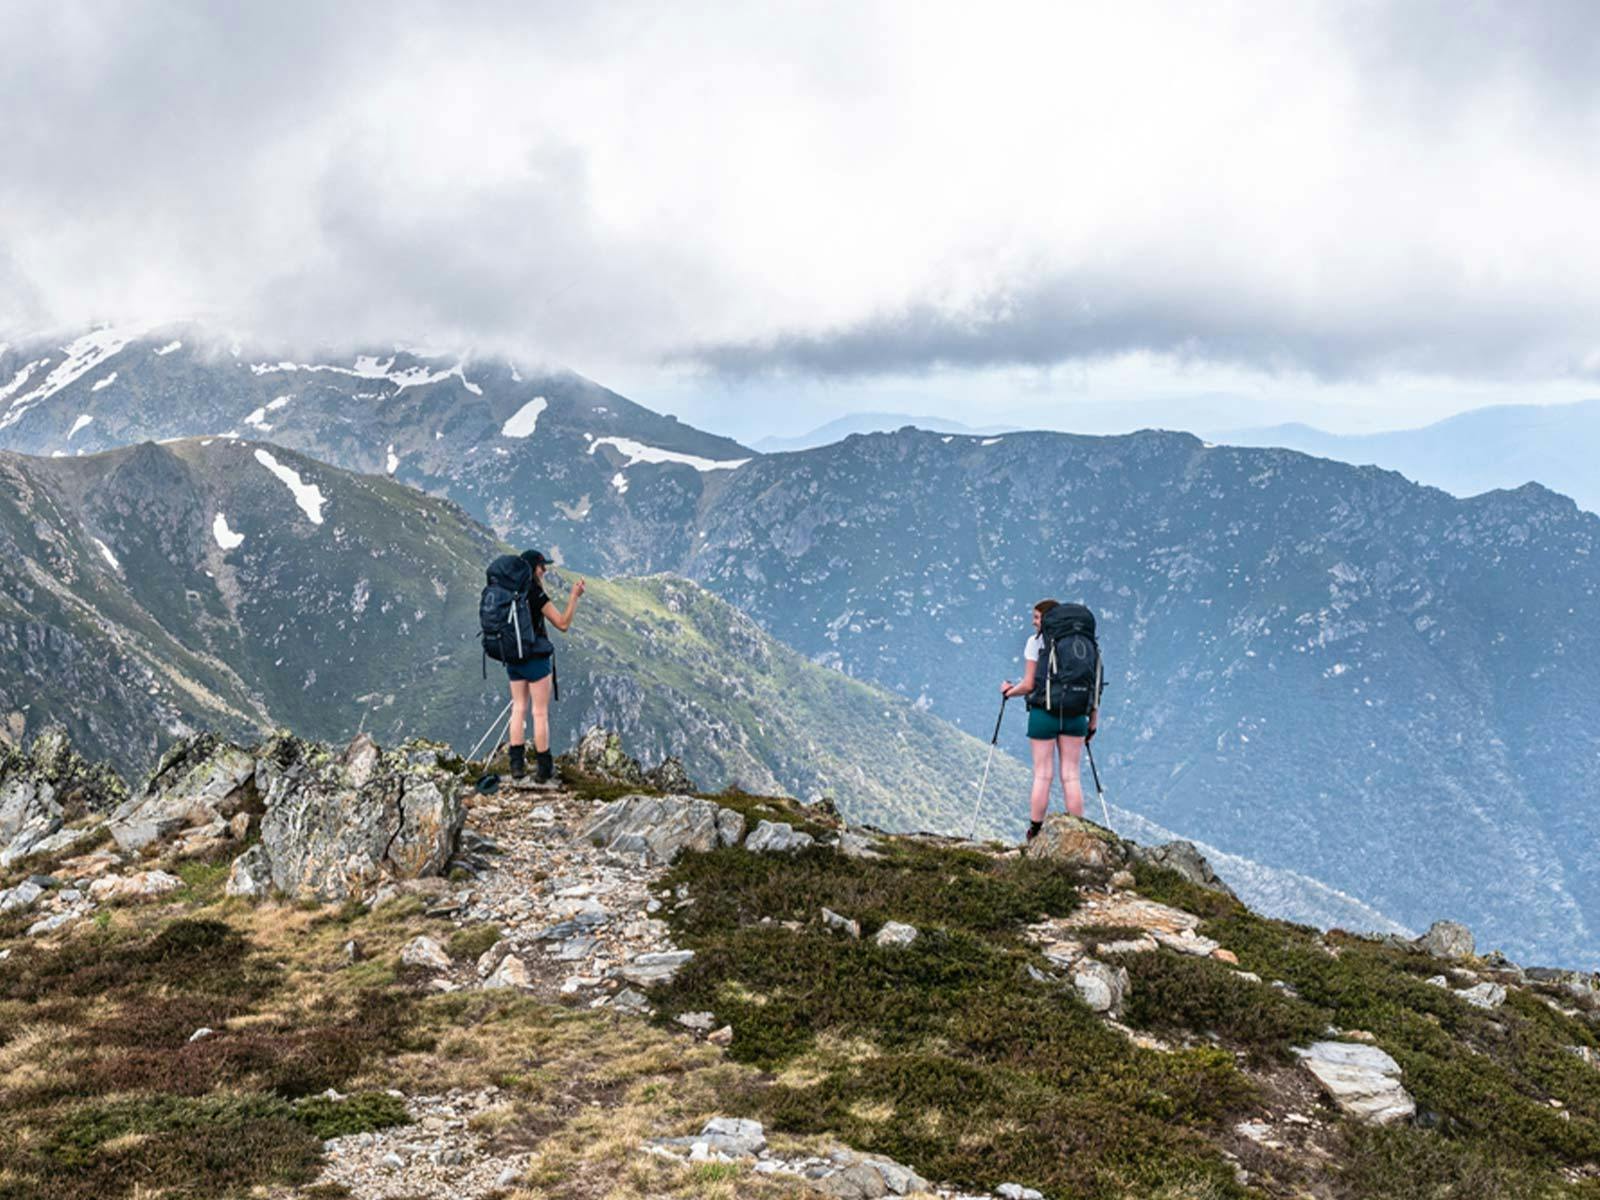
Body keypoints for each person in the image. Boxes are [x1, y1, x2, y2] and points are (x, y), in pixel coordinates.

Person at [1001, 598, 1098, 841]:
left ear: (1049, 618)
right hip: (1077, 714)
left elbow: (1029, 684)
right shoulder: (1087, 643)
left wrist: (1009, 691)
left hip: (1044, 713)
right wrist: (1093, 719)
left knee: (1043, 774)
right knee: (1071, 775)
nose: (1034, 622)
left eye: (1037, 617)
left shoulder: (1036, 643)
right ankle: (1079, 833)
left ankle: (1035, 831)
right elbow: (1094, 686)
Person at [505, 549, 584, 782]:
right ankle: (543, 769)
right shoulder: (535, 594)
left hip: (513, 657)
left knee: (518, 708)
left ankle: (516, 766)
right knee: (539, 712)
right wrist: (574, 596)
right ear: (533, 568)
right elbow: (562, 623)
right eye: (542, 566)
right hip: (535, 659)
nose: (545, 570)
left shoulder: (510, 591)